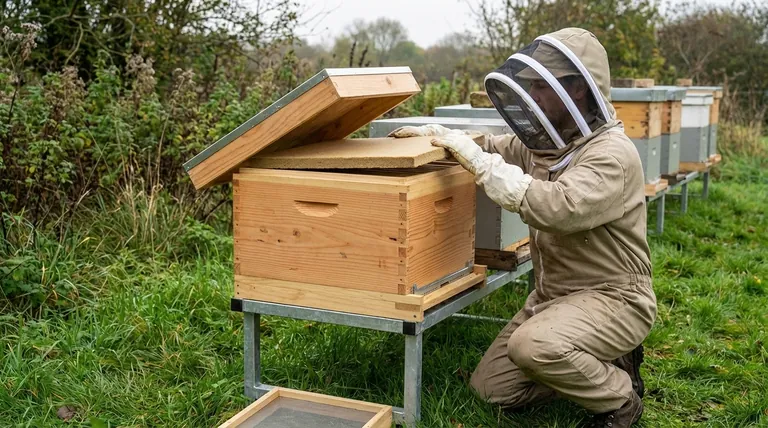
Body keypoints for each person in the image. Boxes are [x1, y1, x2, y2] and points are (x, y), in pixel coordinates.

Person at [388, 28, 657, 427]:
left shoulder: (611, 156)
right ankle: (587, 357)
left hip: (614, 297)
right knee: (492, 390)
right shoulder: (550, 143)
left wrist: (479, 164)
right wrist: (443, 139)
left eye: (539, 88)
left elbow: (555, 208)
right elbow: (493, 148)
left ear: (576, 91)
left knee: (533, 347)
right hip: (554, 295)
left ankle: (619, 398)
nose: (532, 98)